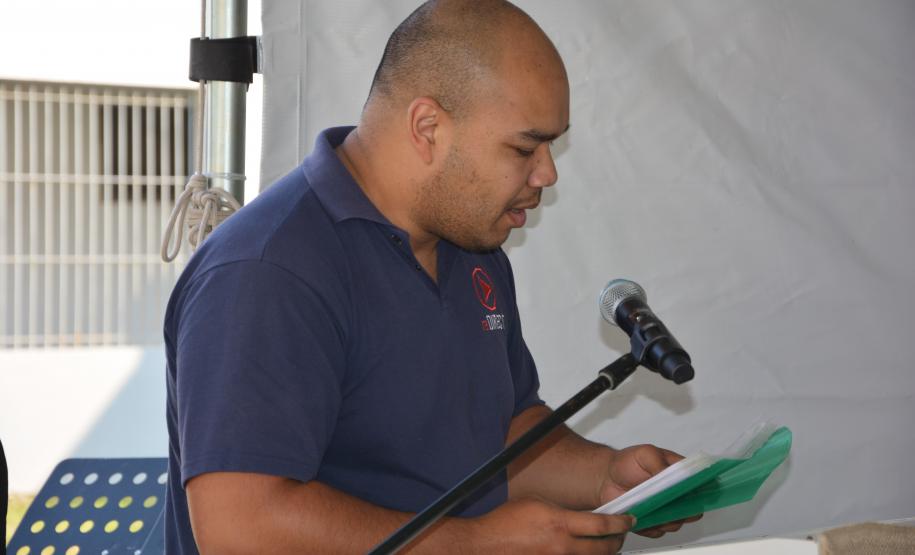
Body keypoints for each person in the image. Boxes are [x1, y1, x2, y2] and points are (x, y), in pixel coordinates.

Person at [165, 0, 700, 552]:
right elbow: (240, 530)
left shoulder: (472, 247)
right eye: (524, 146)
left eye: (550, 146)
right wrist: (473, 546)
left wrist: (603, 477)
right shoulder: (268, 270)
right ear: (428, 127)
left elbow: (504, 432)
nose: (547, 173)